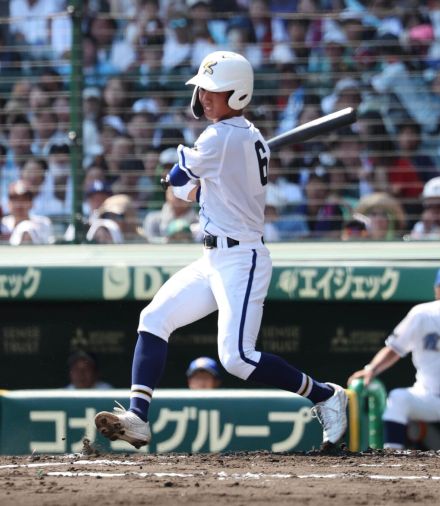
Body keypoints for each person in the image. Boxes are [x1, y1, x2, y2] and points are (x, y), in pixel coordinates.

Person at [95, 51, 347, 450]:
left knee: (237, 359)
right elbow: (189, 189)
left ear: (239, 94)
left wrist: (178, 178)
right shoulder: (239, 136)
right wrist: (186, 183)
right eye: (203, 88)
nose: (205, 96)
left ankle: (325, 395)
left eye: (215, 90)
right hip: (212, 257)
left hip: (241, 259)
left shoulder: (219, 137)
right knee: (154, 317)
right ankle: (138, 418)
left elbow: (179, 183)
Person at [347, 269, 440, 449]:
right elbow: (395, 348)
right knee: (399, 399)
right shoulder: (423, 314)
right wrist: (371, 369)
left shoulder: (424, 312)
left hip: (428, 396)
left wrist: (371, 369)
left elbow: (394, 350)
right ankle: (393, 456)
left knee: (398, 399)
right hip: (428, 395)